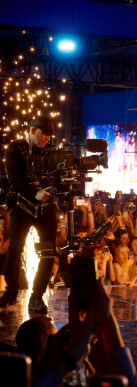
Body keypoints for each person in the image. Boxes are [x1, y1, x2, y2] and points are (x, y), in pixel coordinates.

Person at [0, 116, 59, 313]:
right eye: (44, 135)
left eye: (49, 136)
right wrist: (34, 193)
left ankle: (37, 295)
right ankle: (11, 291)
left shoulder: (51, 151)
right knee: (15, 249)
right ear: (33, 130)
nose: (47, 139)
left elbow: (59, 177)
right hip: (22, 206)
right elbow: (14, 175)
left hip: (46, 208)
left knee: (48, 253)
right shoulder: (15, 148)